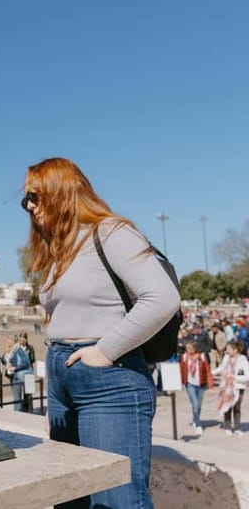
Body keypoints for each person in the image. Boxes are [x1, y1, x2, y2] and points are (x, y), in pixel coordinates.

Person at [23, 157, 179, 508]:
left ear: (61, 192)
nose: (28, 206)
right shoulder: (57, 250)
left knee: (115, 500)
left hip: (109, 379)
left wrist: (105, 351)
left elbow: (162, 297)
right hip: (64, 376)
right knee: (70, 496)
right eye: (26, 200)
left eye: (34, 195)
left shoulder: (110, 232)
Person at [213, 340, 249, 436]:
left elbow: (247, 376)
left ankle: (237, 428)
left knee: (237, 408)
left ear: (235, 350)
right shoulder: (226, 358)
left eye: (229, 348)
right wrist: (210, 373)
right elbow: (221, 368)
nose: (227, 350)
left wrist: (235, 377)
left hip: (238, 387)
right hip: (226, 387)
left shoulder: (243, 360)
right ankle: (228, 427)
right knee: (227, 406)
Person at [179, 341, 214, 435]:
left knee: (198, 405)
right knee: (195, 404)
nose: (188, 350)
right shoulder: (184, 357)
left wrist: (210, 384)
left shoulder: (201, 357)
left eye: (190, 348)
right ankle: (198, 425)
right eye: (187, 348)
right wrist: (181, 382)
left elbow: (207, 370)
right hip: (190, 384)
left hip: (201, 384)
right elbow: (181, 370)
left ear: (195, 348)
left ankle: (195, 418)